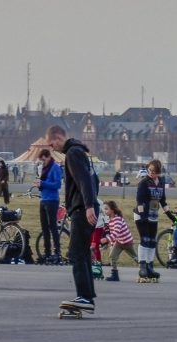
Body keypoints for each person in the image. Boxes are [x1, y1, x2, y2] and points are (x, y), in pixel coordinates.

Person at [46, 125, 100, 312]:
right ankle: (88, 296)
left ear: (59, 137)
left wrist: (88, 206)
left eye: (51, 143)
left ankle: (84, 297)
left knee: (76, 253)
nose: (51, 148)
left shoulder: (73, 154)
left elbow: (84, 181)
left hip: (81, 210)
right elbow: (95, 181)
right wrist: (91, 203)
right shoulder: (81, 152)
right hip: (83, 208)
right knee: (83, 253)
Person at [133, 160, 166, 282]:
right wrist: (143, 216)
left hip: (153, 216)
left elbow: (163, 200)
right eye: (150, 170)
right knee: (145, 239)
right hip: (141, 215)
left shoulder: (161, 182)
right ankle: (142, 267)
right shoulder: (144, 183)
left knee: (152, 241)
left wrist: (170, 215)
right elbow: (140, 201)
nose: (151, 173)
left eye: (154, 171)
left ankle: (150, 267)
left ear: (158, 172)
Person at [37, 148, 64, 262]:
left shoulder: (55, 168)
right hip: (43, 200)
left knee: (52, 227)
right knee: (44, 228)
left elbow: (57, 185)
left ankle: (57, 252)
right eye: (41, 160)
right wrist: (39, 185)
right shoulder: (44, 168)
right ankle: (47, 252)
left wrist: (43, 183)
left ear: (48, 157)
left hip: (52, 200)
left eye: (44, 159)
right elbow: (44, 183)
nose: (43, 162)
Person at [99, 200, 135, 282]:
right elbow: (112, 233)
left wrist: (106, 239)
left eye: (106, 209)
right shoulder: (109, 220)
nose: (105, 211)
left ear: (112, 210)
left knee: (135, 257)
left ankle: (145, 268)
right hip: (119, 242)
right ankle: (115, 275)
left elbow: (115, 233)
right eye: (104, 209)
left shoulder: (117, 219)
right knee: (112, 256)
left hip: (127, 242)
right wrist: (111, 244)